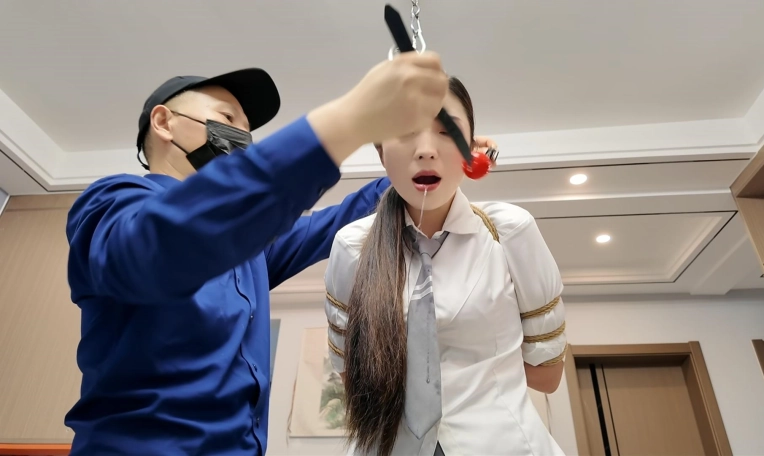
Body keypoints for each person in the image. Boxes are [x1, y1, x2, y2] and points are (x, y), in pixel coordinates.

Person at [64, 51, 450, 455]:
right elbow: (160, 247)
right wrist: (348, 119)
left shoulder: (252, 253)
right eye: (227, 118)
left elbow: (334, 222)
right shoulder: (111, 204)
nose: (241, 138)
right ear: (163, 122)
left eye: (247, 130)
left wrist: (428, 168)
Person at [324, 76, 568, 456]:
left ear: (472, 151)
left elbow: (547, 375)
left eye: (446, 131)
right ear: (381, 153)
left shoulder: (510, 232)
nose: (426, 150)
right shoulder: (353, 247)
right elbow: (351, 379)